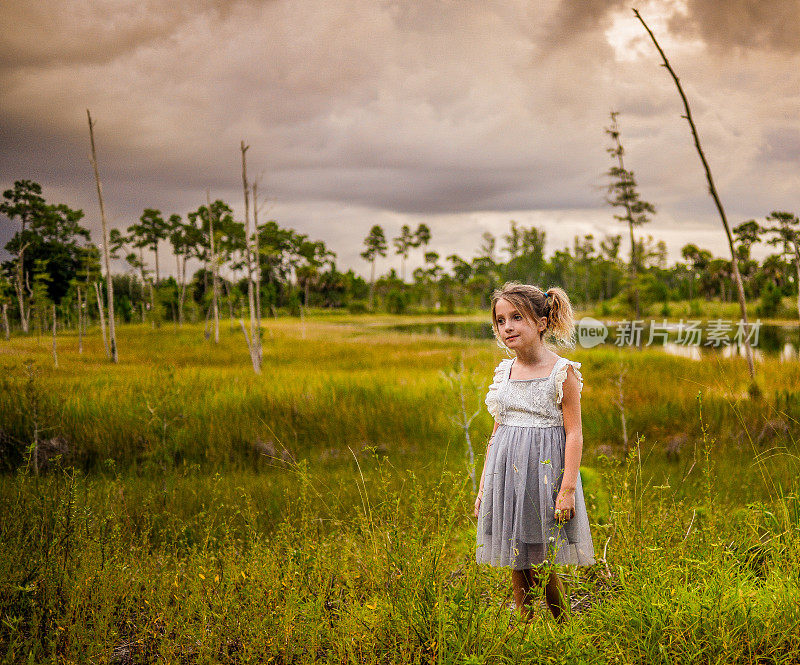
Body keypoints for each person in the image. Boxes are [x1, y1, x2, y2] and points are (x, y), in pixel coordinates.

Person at [475, 282, 595, 622]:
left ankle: (562, 625)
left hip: (543, 477)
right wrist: (485, 485)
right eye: (500, 321)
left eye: (517, 317)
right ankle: (525, 624)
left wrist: (567, 490)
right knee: (516, 554)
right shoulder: (504, 372)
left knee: (540, 554)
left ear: (541, 323)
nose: (508, 327)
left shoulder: (562, 372)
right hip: (507, 474)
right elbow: (495, 433)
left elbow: (574, 434)